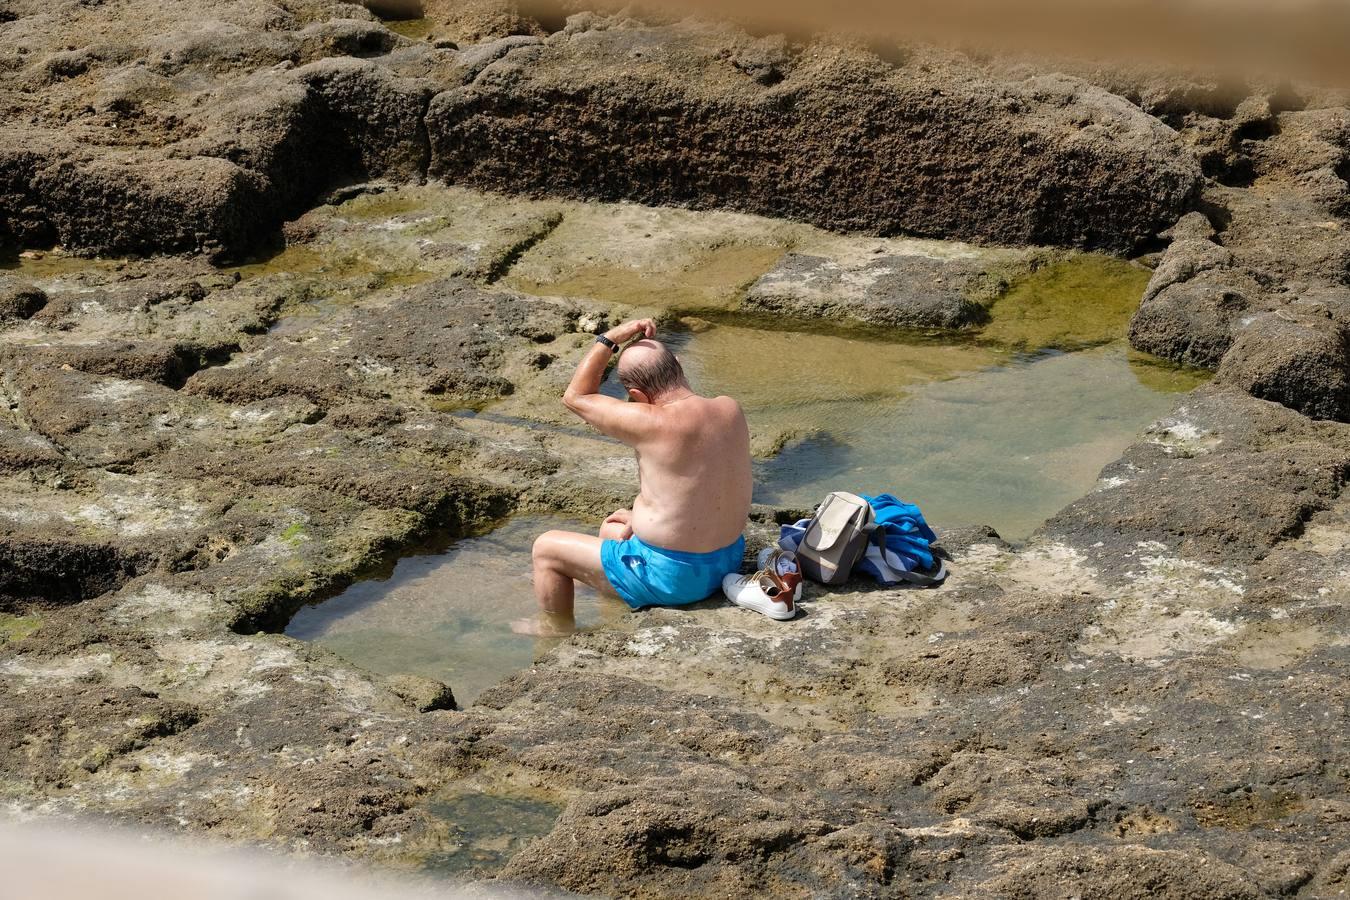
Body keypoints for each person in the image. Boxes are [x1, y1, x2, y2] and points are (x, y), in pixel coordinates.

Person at [513, 318, 752, 635]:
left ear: (638, 395)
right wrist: (639, 517)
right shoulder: (729, 408)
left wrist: (611, 337)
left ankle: (555, 628)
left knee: (546, 549)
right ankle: (600, 590)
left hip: (675, 581)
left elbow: (575, 396)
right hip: (727, 562)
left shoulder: (650, 421)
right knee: (613, 528)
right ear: (678, 365)